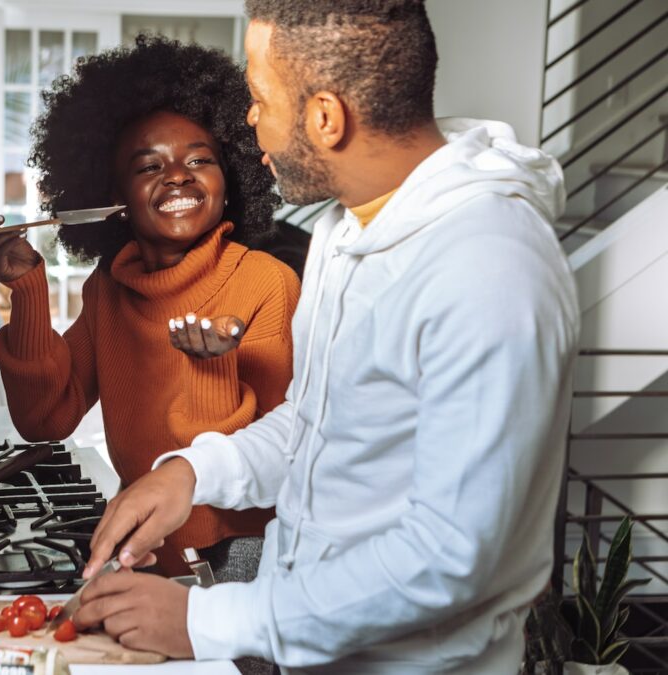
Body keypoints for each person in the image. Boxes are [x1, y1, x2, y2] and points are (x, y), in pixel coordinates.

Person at [75, 2, 581, 673]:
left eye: (259, 98)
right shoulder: (349, 232)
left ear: (324, 117)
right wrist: (193, 473)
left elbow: (450, 556)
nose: (249, 120)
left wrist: (208, 619)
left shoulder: (490, 267)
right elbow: (321, 426)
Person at [0, 35, 301, 581]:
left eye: (199, 159)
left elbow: (279, 457)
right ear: (112, 199)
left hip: (242, 554)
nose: (178, 174)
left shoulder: (266, 282)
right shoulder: (109, 290)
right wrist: (27, 290)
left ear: (230, 180)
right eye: (148, 166)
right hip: (144, 541)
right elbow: (46, 419)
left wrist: (210, 366)